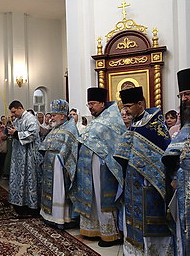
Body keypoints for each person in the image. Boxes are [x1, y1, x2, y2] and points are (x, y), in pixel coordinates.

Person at [114, 86, 172, 255]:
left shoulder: (155, 126)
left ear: (140, 104)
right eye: (124, 107)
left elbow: (162, 156)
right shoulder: (134, 124)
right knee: (133, 220)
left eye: (128, 106)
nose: (125, 110)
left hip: (150, 184)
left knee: (148, 223)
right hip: (132, 183)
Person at [73, 87, 125, 247]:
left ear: (102, 103)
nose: (90, 107)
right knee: (93, 198)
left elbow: (115, 144)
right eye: (88, 104)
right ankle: (94, 229)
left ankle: (111, 234)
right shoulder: (97, 120)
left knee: (103, 199)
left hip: (104, 169)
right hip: (89, 169)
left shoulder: (112, 119)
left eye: (93, 103)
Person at [162, 68, 190, 256]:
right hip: (182, 188)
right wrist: (173, 176)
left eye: (188, 94)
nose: (185, 99)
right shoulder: (184, 128)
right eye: (182, 95)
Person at [39, 99, 79, 229]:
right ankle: (49, 215)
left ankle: (61, 217)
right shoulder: (56, 128)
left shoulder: (70, 128)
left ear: (62, 115)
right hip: (51, 166)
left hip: (60, 168)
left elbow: (71, 150)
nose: (51, 118)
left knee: (59, 191)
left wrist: (63, 164)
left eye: (54, 115)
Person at [8, 100, 42, 215]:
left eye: (14, 112)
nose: (13, 115)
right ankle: (19, 203)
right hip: (19, 155)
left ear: (19, 108)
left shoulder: (30, 118)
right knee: (19, 179)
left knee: (29, 179)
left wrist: (16, 134)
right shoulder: (18, 119)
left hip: (29, 156)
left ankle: (31, 206)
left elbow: (33, 134)